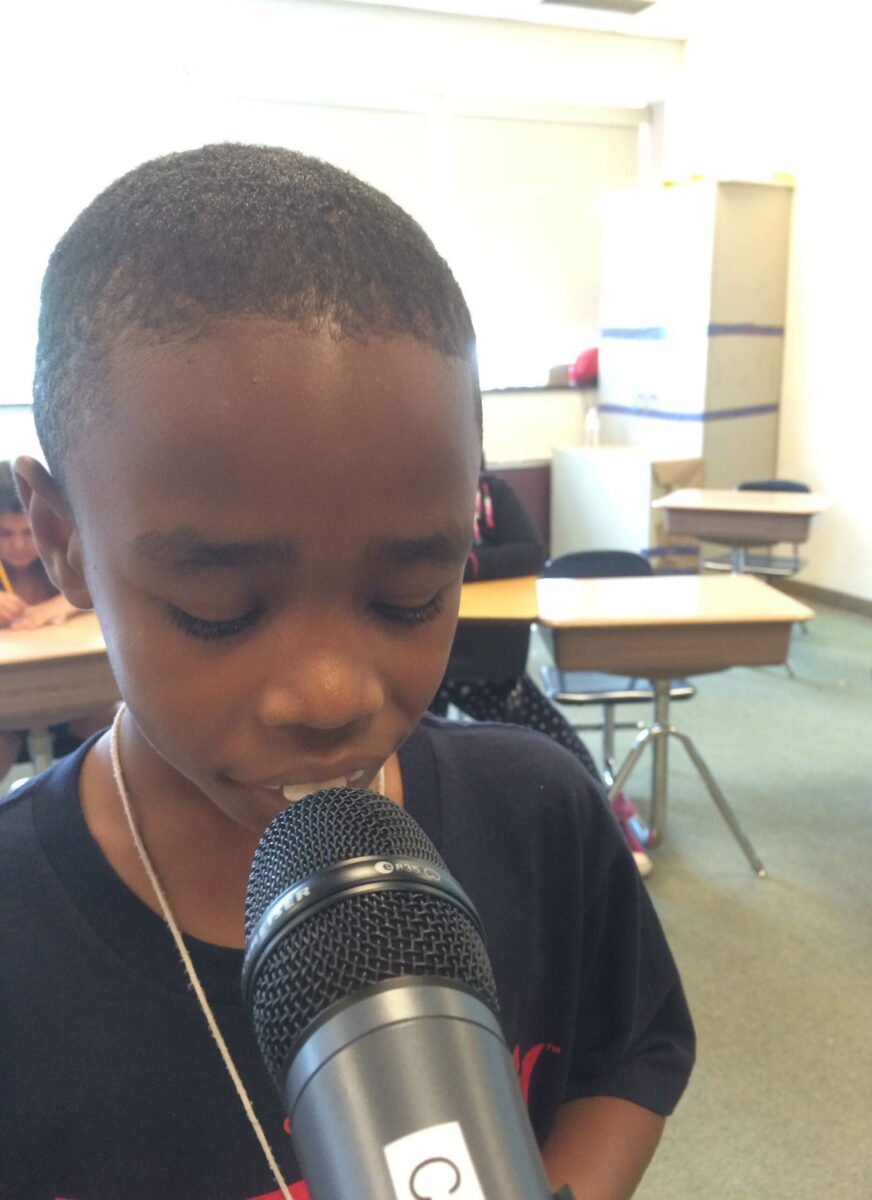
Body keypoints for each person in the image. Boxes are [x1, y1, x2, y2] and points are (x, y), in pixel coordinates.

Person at [0, 144, 694, 1200]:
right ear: (61, 540)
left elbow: (629, 1055)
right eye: (217, 609)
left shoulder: (543, 816)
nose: (331, 695)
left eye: (411, 596)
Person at [431, 469, 653, 874]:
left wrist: (464, 562)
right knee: (421, 760)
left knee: (556, 742)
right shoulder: (404, 494)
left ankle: (605, 816)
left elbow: (530, 552)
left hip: (487, 663)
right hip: (423, 664)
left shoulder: (491, 494)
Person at [0, 460, 115, 780]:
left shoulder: (65, 555)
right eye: (4, 534)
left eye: (27, 532)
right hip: (5, 707)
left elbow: (110, 582)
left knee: (123, 728)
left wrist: (67, 602)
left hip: (76, 697)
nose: (19, 545)